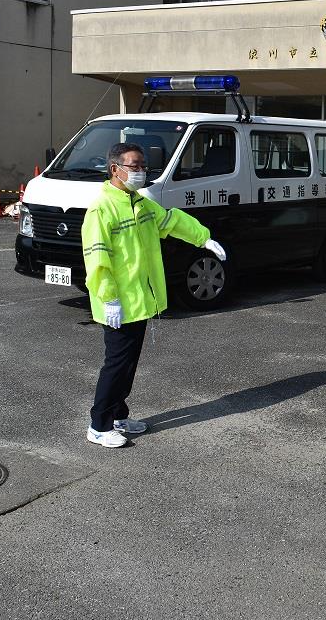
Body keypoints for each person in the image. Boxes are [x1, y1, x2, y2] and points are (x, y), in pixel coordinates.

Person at [81, 142, 226, 448]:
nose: (141, 171)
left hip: (139, 301)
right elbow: (96, 258)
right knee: (116, 364)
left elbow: (170, 220)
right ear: (115, 170)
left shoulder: (140, 203)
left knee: (129, 363)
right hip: (118, 303)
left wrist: (204, 238)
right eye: (134, 166)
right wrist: (109, 298)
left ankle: (118, 416)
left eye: (143, 166)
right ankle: (99, 424)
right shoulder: (101, 209)